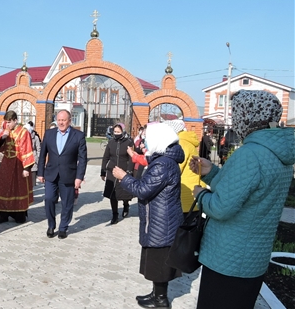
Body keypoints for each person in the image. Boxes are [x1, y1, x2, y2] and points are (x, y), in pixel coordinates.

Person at [190, 90, 294, 309]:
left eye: (236, 113)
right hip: (253, 259)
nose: (234, 119)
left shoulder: (251, 154)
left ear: (247, 116)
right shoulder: (280, 153)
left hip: (228, 259)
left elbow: (220, 208)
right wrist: (212, 172)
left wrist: (200, 195)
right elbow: (248, 193)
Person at [112, 122, 184, 308]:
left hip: (162, 222)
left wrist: (123, 177)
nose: (145, 143)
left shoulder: (163, 164)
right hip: (159, 220)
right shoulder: (163, 160)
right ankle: (156, 294)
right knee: (155, 262)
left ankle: (161, 300)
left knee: (159, 262)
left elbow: (143, 190)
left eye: (147, 139)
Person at [37, 110, 87, 239]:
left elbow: (82, 159)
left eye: (64, 120)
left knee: (67, 203)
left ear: (70, 121)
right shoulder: (49, 134)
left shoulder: (78, 135)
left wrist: (79, 177)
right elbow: (42, 155)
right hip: (51, 173)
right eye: (59, 120)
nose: (61, 122)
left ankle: (63, 227)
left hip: (69, 175)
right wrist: (40, 173)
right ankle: (51, 225)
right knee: (48, 199)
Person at [0, 111, 35, 224]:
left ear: (15, 120)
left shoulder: (23, 132)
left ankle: (19, 214)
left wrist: (26, 169)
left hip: (19, 164)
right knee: (4, 187)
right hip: (6, 163)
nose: (7, 124)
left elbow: (27, 149)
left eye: (9, 122)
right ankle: (3, 214)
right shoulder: (5, 131)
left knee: (18, 189)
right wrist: (3, 137)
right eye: (5, 122)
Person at [164, 119, 206, 218]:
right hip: (190, 192)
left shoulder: (181, 144)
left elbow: (175, 169)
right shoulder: (185, 142)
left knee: (183, 230)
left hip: (186, 194)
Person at [101, 123, 134, 224]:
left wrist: (129, 171)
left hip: (124, 171)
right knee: (112, 194)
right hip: (112, 171)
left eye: (118, 132)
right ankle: (115, 214)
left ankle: (125, 205)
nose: (116, 134)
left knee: (124, 192)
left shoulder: (129, 142)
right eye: (115, 132)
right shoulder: (111, 142)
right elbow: (105, 157)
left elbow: (132, 158)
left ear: (123, 132)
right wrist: (103, 171)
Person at [25, 121, 41, 186]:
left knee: (32, 176)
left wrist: (38, 158)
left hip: (33, 157)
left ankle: (33, 189)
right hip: (25, 158)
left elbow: (38, 149)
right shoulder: (23, 137)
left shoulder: (35, 137)